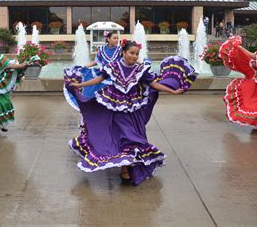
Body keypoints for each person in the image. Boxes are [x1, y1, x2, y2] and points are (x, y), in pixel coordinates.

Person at [64, 40, 197, 186]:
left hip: (133, 109)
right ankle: (124, 169)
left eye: (136, 54)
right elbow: (99, 79)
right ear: (123, 52)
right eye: (131, 53)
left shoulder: (141, 69)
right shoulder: (113, 67)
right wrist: (80, 85)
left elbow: (153, 84)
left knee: (133, 137)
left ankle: (128, 166)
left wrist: (172, 91)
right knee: (123, 136)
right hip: (114, 108)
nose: (134, 56)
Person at [64, 31, 121, 111]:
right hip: (104, 74)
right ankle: (93, 109)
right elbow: (96, 62)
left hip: (115, 76)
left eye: (117, 38)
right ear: (108, 39)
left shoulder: (120, 50)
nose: (117, 40)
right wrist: (84, 67)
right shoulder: (101, 49)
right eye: (114, 38)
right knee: (93, 87)